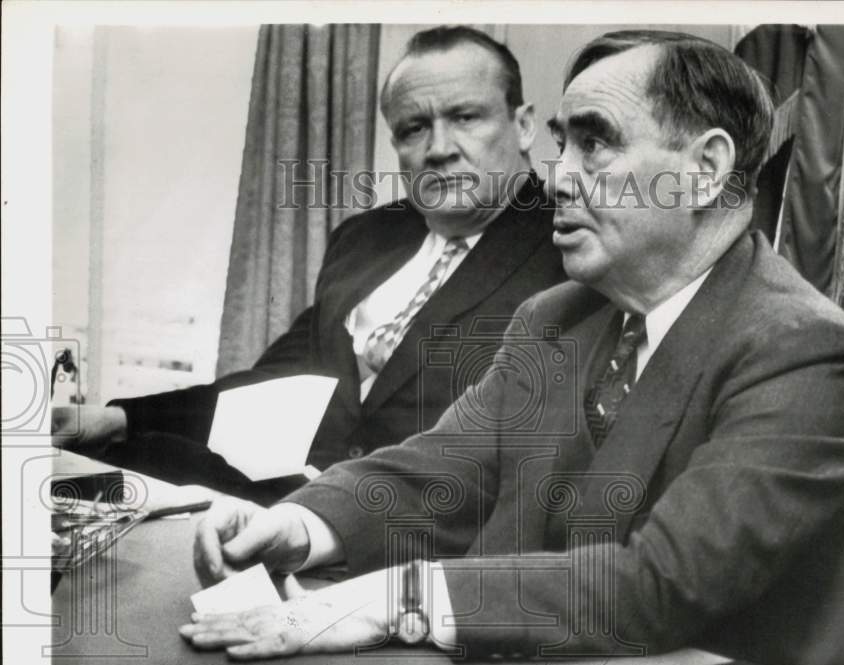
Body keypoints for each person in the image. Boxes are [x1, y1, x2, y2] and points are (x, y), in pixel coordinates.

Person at [181, 30, 844, 661]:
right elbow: (441, 474)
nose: (561, 175)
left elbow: (658, 584)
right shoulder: (557, 317)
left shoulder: (804, 350)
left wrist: (399, 603)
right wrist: (298, 524)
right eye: (561, 142)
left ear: (705, 167)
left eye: (595, 142)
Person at [50, 26, 565, 505]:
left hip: (424, 533)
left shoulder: (567, 253)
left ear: (522, 126)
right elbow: (276, 383)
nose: (439, 149)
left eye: (465, 117)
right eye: (414, 128)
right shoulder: (366, 238)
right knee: (96, 476)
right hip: (291, 506)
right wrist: (118, 417)